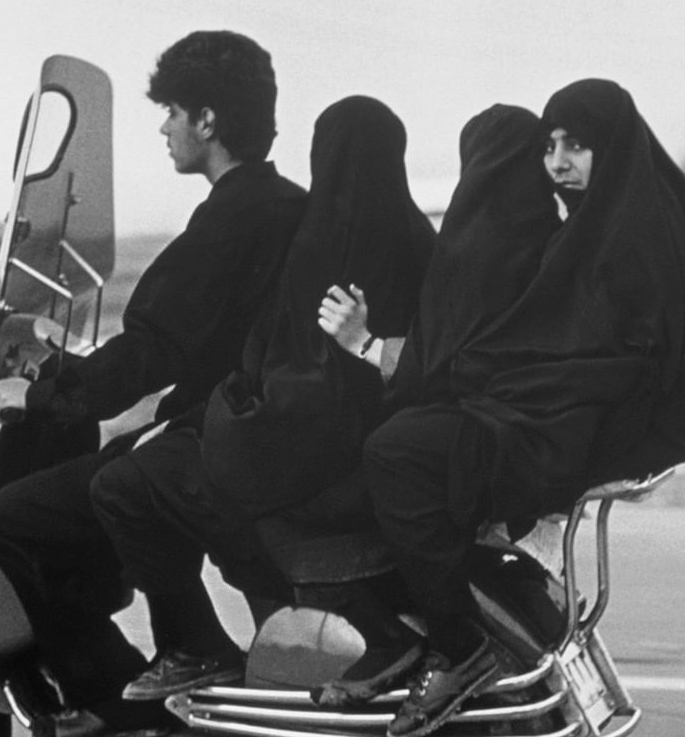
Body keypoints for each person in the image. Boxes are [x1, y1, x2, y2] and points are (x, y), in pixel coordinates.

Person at [321, 90, 685, 737]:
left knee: (396, 451)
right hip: (650, 421)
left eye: (576, 145)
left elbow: (581, 356)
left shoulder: (620, 237)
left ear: (612, 145)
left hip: (608, 428)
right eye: (550, 145)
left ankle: (456, 647)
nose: (558, 163)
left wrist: (414, 364)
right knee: (436, 434)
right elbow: (566, 345)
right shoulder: (648, 208)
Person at [0, 30, 306, 737]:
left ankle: (122, 695)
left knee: (15, 518)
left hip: (215, 441)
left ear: (208, 121)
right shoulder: (290, 205)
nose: (163, 128)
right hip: (255, 426)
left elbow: (157, 347)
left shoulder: (229, 219)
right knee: (117, 466)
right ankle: (179, 658)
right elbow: (203, 345)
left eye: (172, 112)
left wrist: (38, 394)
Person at [89, 95, 434, 700]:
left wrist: (223, 413)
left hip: (306, 448)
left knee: (130, 481)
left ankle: (195, 649)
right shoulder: (419, 239)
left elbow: (296, 379)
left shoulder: (323, 243)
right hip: (371, 442)